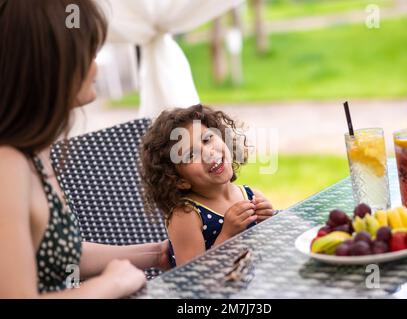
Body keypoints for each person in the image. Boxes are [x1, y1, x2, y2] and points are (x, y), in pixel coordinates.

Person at [0, 0, 169, 298]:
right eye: (89, 53)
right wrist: (110, 283)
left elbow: (62, 251)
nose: (96, 67)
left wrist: (158, 253)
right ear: (53, 65)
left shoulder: (33, 153)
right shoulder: (7, 165)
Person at [140, 104, 275, 267]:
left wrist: (269, 220)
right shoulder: (186, 216)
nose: (208, 152)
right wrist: (227, 235)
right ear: (178, 180)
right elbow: (193, 278)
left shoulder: (251, 194)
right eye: (191, 155)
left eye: (206, 139)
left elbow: (268, 249)